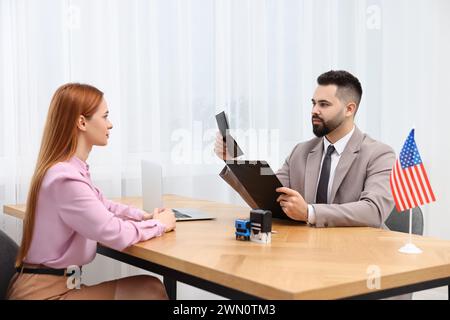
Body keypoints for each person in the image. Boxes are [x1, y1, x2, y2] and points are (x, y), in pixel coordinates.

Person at [7, 83, 176, 300]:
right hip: (43, 294)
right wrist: (160, 224)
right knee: (150, 291)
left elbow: (103, 205)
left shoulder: (70, 169)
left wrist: (144, 216)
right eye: (105, 116)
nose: (110, 124)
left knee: (150, 288)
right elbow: (113, 233)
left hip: (66, 284)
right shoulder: (64, 179)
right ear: (82, 122)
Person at [215, 70, 396, 228]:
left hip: (358, 253)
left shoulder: (379, 154)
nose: (314, 110)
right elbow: (268, 201)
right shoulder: (300, 152)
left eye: (324, 104)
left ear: (349, 109)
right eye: (313, 103)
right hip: (306, 249)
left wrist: (309, 212)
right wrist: (233, 162)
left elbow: (373, 211)